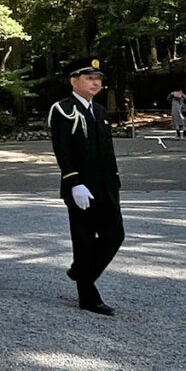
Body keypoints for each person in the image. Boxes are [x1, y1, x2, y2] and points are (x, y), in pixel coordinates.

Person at [48, 57, 124, 316]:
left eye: (99, 78)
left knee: (115, 235)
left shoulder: (100, 111)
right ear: (74, 81)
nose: (96, 82)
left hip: (106, 187)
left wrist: (115, 181)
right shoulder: (63, 109)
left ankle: (81, 271)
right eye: (90, 78)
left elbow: (107, 152)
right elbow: (62, 149)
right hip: (81, 188)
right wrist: (74, 181)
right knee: (84, 240)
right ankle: (87, 296)